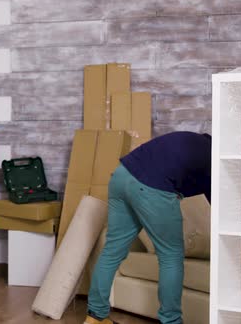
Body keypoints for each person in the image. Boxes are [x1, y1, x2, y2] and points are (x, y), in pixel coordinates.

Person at [85, 131, 212, 324]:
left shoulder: (195, 142)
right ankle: (171, 321)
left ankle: (95, 318)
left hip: (121, 176)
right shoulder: (213, 157)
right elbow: (220, 202)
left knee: (112, 251)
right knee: (171, 256)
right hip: (150, 188)